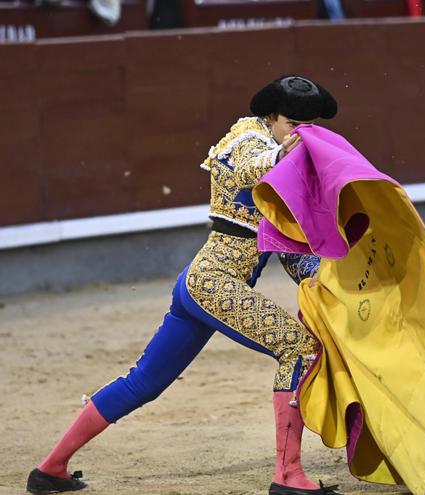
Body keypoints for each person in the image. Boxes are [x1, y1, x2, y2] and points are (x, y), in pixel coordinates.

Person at [26, 75, 342, 495]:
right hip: (213, 283)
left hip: (204, 286)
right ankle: (288, 476)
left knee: (144, 382)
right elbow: (251, 164)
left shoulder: (287, 164)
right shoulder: (247, 137)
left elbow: (285, 244)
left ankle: (50, 470)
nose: (300, 132)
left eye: (308, 124)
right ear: (270, 116)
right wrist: (285, 154)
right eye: (292, 123)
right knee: (299, 347)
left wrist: (321, 275)